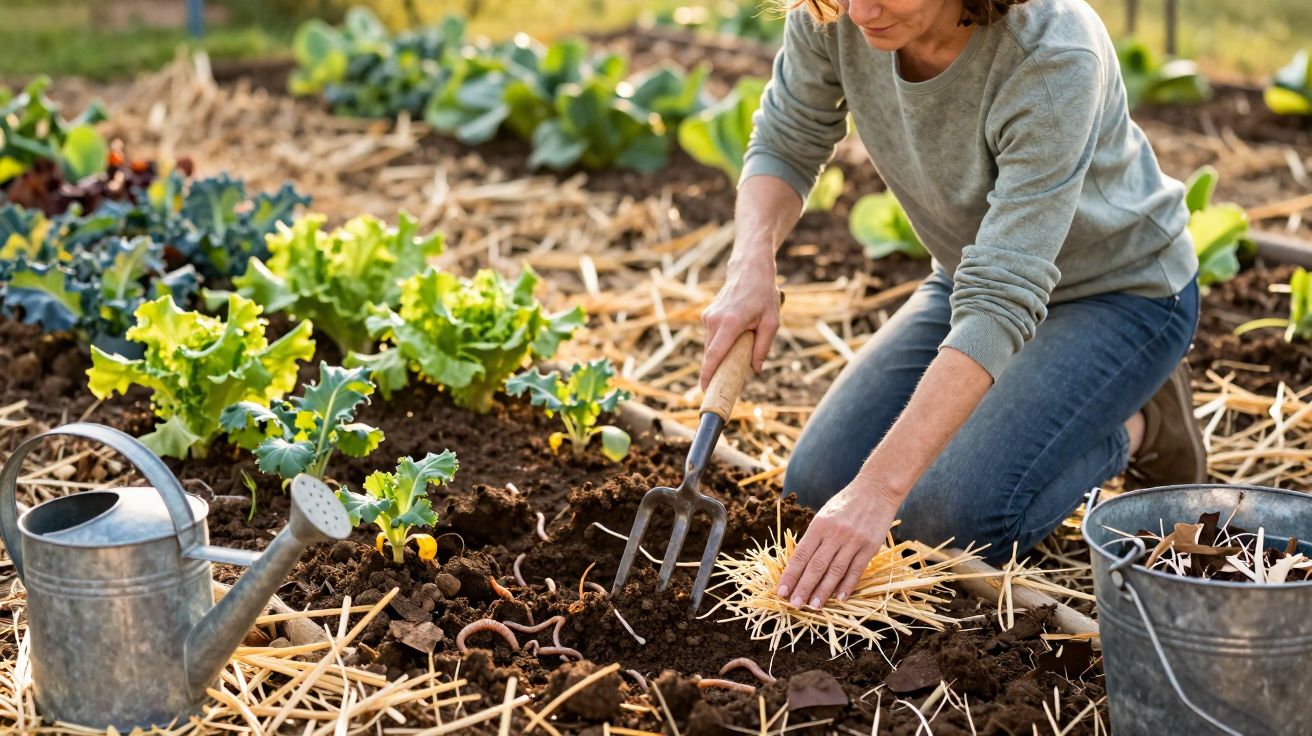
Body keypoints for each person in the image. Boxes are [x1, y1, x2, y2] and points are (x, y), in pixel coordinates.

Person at [698, 0, 1205, 612]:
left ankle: (1139, 421)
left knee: (945, 524)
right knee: (817, 486)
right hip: (971, 276)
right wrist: (751, 263)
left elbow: (1003, 297)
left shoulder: (1052, 56)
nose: (860, 11)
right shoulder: (831, 11)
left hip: (1120, 294)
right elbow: (787, 137)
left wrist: (880, 490)